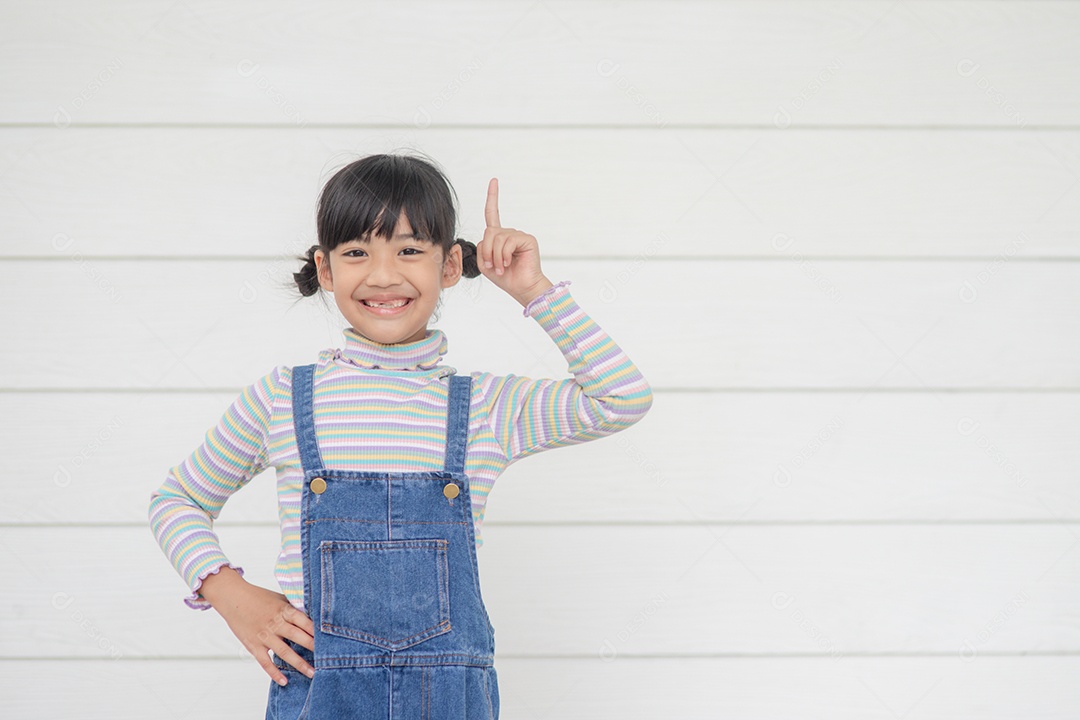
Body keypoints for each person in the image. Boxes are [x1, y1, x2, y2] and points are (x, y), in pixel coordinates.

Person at [147, 152, 654, 718]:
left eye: (410, 250)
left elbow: (620, 398)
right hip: (321, 696)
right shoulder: (283, 398)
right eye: (357, 252)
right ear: (327, 269)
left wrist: (535, 292)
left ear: (450, 266)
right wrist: (229, 593)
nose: (384, 275)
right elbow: (178, 500)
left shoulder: (488, 406)